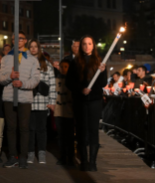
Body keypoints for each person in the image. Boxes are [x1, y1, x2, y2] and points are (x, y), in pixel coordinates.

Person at [0, 31, 40, 169]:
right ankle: (12, 156)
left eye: (20, 39)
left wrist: (23, 84)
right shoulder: (5, 58)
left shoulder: (33, 59)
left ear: (25, 40)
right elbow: (0, 79)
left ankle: (23, 156)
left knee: (24, 128)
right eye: (14, 39)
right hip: (9, 97)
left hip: (25, 98)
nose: (17, 41)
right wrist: (10, 76)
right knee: (10, 128)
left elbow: (35, 80)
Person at [66, 35, 107, 172]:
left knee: (94, 131)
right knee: (82, 131)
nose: (87, 46)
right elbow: (69, 82)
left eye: (89, 43)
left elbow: (103, 83)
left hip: (95, 101)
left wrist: (102, 72)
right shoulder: (75, 62)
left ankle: (93, 162)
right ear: (81, 46)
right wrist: (80, 89)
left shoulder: (99, 62)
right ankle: (84, 161)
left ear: (93, 45)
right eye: (84, 44)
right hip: (80, 101)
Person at [27, 39, 56, 164]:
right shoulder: (24, 64)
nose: (33, 49)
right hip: (28, 101)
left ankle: (41, 152)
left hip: (42, 101)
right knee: (30, 129)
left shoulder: (46, 65)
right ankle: (30, 153)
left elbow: (52, 84)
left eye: (35, 47)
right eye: (31, 47)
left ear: (39, 49)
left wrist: (52, 101)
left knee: (41, 129)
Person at [54, 59, 75, 166]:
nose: (63, 69)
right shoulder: (56, 79)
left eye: (66, 66)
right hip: (58, 111)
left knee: (70, 136)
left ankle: (71, 158)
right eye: (61, 66)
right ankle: (62, 157)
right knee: (61, 136)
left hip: (69, 110)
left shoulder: (73, 80)